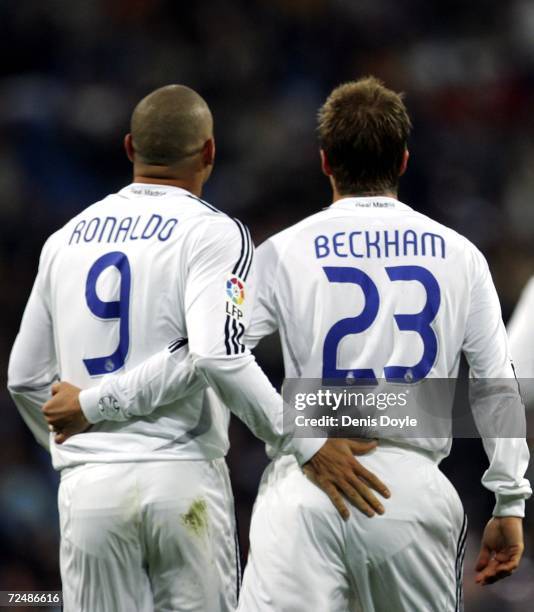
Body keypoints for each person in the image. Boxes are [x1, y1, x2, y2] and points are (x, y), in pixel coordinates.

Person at [42, 77, 531, 611]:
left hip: (307, 486)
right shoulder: (461, 256)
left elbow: (206, 355)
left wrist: (95, 402)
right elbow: (495, 387)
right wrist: (509, 498)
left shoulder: (280, 253)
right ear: (405, 160)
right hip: (412, 494)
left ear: (324, 162)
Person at [7, 84, 389, 612]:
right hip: (181, 479)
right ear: (209, 151)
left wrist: (76, 438)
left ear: (128, 148)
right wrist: (306, 443)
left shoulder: (64, 240)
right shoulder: (216, 233)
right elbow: (216, 353)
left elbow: (23, 378)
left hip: (90, 489)